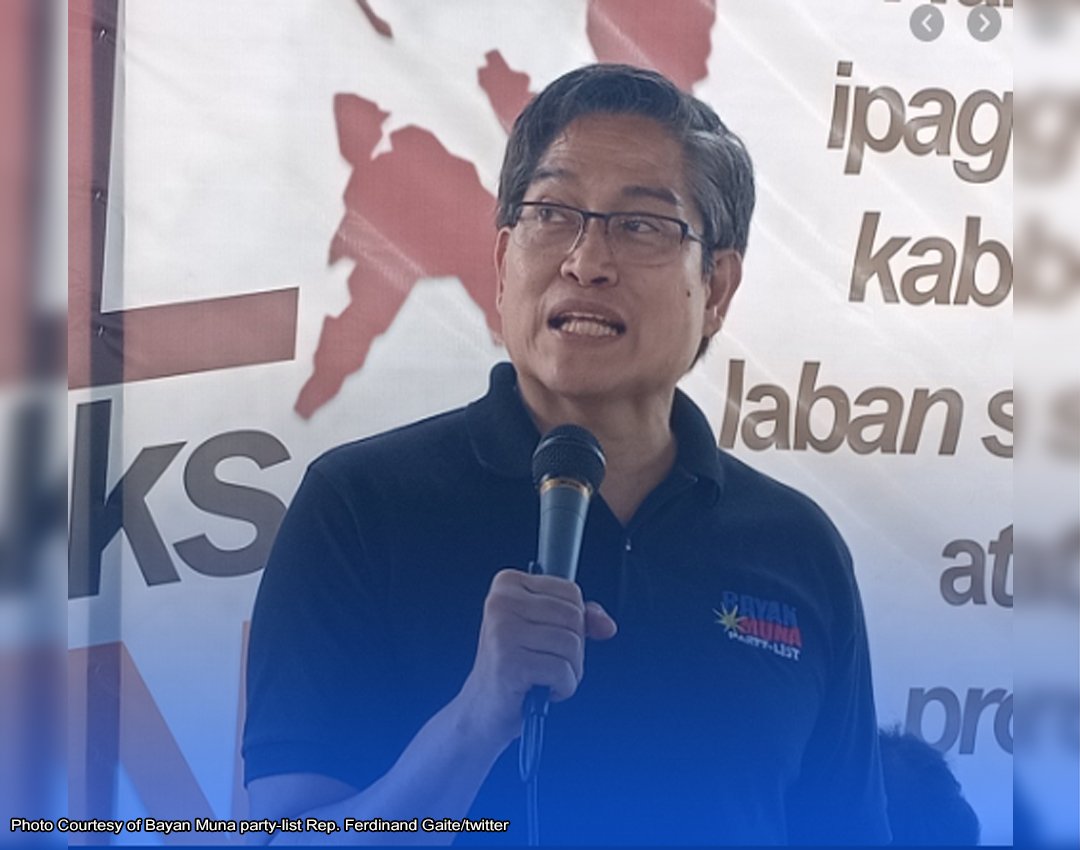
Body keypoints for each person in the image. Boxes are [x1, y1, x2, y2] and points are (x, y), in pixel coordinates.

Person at [243, 63, 890, 845]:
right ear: (502, 262)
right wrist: (475, 721)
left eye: (641, 225)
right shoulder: (362, 505)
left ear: (717, 287)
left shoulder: (794, 547)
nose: (586, 261)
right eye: (552, 214)